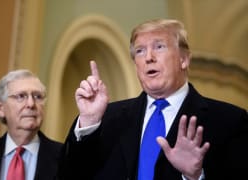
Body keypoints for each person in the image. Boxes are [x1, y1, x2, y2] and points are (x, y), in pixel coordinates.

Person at [59, 19, 248, 180]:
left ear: (184, 59)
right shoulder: (108, 118)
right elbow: (69, 176)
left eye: (159, 47)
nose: (149, 57)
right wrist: (89, 123)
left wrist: (194, 176)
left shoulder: (229, 121)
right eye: (140, 51)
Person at [0, 69, 63, 180]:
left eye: (37, 96)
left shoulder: (66, 158)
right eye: (21, 96)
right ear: (1, 108)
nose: (31, 104)